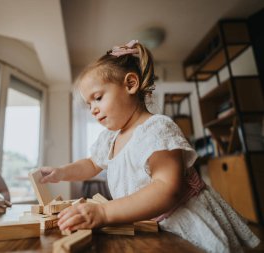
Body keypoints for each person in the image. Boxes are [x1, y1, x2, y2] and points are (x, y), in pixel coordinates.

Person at [39, 40, 260, 253]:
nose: (93, 110)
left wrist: (104, 212)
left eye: (97, 98)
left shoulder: (156, 129)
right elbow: (90, 164)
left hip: (180, 223)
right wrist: (61, 172)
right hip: (147, 226)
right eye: (89, 104)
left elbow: (166, 188)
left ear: (130, 84)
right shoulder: (110, 139)